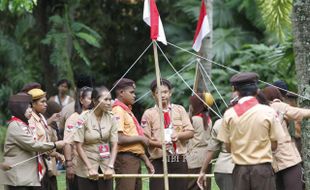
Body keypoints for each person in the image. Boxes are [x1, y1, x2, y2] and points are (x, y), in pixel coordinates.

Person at [217, 72, 285, 190]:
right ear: (257, 90)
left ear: (236, 91)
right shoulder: (268, 111)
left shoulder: (229, 114)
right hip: (263, 171)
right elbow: (274, 145)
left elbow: (227, 148)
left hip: (240, 171)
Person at [1, 93, 66, 190]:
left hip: (27, 176)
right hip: (19, 178)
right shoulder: (15, 125)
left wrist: (55, 153)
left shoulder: (23, 124)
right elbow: (32, 145)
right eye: (27, 108)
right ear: (19, 109)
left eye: (30, 107)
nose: (30, 110)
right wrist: (55, 145)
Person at [141, 78, 194, 190]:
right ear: (153, 94)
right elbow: (144, 139)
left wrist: (179, 136)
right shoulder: (149, 114)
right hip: (159, 160)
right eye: (158, 92)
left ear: (170, 92)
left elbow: (190, 132)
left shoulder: (179, 110)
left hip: (178, 159)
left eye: (165, 92)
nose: (162, 95)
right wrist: (158, 144)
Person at [262, 86, 310, 190]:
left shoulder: (258, 111)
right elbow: (299, 113)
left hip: (271, 163)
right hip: (288, 160)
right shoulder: (278, 106)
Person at [112, 78, 154, 190]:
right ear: (121, 92)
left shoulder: (127, 111)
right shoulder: (118, 110)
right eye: (131, 92)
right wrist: (140, 138)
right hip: (125, 159)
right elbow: (119, 138)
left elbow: (134, 145)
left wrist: (146, 160)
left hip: (134, 158)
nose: (134, 95)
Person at [73, 86, 118, 190]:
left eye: (110, 99)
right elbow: (78, 146)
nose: (109, 102)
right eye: (105, 99)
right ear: (94, 101)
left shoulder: (112, 118)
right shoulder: (83, 118)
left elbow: (115, 144)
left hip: (106, 166)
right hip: (86, 167)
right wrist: (90, 168)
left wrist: (110, 166)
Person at [197, 93, 239, 190]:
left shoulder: (219, 122)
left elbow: (211, 149)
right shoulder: (252, 120)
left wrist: (203, 170)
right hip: (233, 169)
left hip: (223, 169)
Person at [28, 88, 64, 190]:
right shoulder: (30, 119)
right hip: (36, 166)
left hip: (46, 163)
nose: (46, 104)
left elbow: (45, 140)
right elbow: (36, 144)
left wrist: (56, 154)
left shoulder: (42, 118)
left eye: (46, 101)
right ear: (33, 104)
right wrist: (56, 147)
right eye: (42, 102)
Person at [63, 86, 92, 190]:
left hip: (95, 164)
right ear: (81, 100)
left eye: (94, 98)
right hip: (79, 167)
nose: (92, 101)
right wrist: (69, 165)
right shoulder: (74, 118)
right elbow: (67, 143)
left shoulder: (97, 117)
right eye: (89, 98)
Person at [186, 93, 213, 190]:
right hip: (206, 157)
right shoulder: (208, 120)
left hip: (194, 158)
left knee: (192, 185)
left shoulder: (194, 119)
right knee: (204, 185)